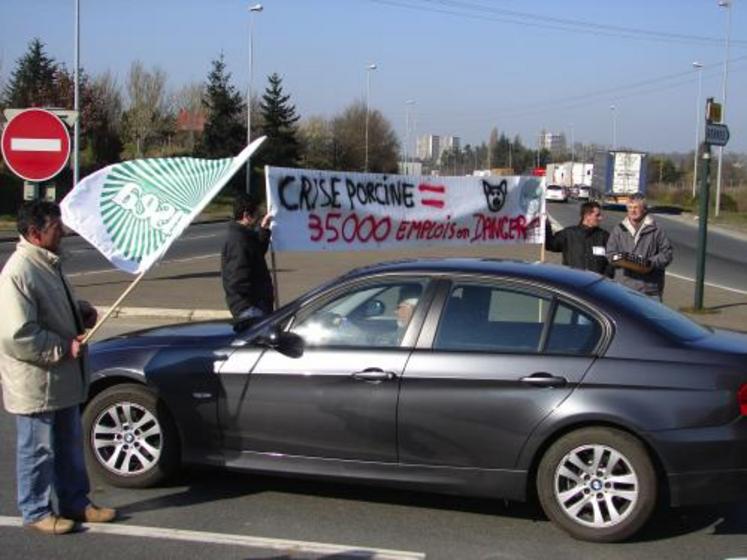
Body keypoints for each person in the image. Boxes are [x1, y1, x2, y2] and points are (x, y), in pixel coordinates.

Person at [0, 201, 116, 535]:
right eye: (55, 227)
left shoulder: (47, 263)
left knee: (68, 444)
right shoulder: (20, 270)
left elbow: (53, 308)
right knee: (37, 449)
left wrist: (81, 312)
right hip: (37, 381)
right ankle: (36, 510)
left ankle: (76, 502)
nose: (63, 232)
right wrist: (63, 348)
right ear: (35, 233)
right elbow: (16, 334)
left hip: (62, 377)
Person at [221, 194, 274, 329]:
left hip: (252, 306)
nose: (258, 218)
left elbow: (256, 254)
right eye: (256, 214)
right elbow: (237, 280)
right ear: (246, 215)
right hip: (250, 309)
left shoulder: (244, 236)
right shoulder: (239, 241)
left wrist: (263, 229)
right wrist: (258, 299)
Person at [606, 194, 673, 300]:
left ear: (644, 209)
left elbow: (667, 254)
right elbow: (610, 254)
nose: (632, 211)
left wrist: (649, 263)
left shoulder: (656, 230)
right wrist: (621, 258)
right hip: (623, 288)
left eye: (636, 207)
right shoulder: (618, 229)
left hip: (649, 290)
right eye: (630, 208)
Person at [545, 201, 613, 277]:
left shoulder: (604, 236)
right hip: (573, 282)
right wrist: (546, 226)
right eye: (597, 215)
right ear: (587, 216)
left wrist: (606, 277)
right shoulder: (568, 234)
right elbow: (550, 245)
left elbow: (612, 260)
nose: (601, 218)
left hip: (597, 285)